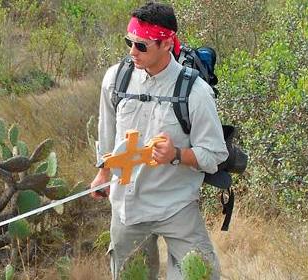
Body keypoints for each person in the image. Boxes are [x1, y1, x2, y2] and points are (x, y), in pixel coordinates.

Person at [91, 2, 229, 279]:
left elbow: (215, 154)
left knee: (202, 275)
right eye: (129, 42)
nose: (132, 52)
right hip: (127, 210)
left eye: (142, 46)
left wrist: (176, 154)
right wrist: (103, 173)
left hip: (176, 207)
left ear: (167, 43)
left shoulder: (195, 92)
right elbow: (107, 133)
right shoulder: (115, 80)